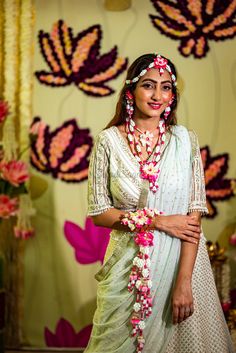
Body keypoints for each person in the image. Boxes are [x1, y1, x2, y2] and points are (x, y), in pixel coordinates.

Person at [85, 53, 235, 353]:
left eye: (166, 87)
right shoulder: (108, 142)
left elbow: (193, 218)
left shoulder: (185, 141)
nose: (157, 96)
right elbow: (99, 213)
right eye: (148, 85)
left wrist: (184, 283)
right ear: (131, 90)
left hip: (181, 264)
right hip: (126, 270)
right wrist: (157, 221)